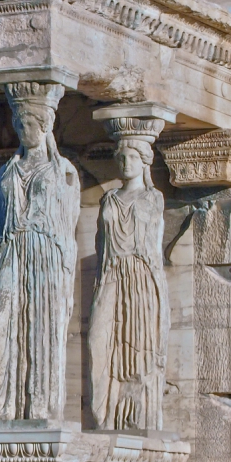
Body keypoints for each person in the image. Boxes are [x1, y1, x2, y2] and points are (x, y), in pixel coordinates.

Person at [0, 85, 80, 423]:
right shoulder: (7, 170)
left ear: (44, 126)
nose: (21, 130)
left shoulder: (63, 171)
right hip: (13, 249)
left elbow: (68, 225)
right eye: (18, 124)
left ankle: (39, 407)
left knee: (41, 327)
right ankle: (4, 405)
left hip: (45, 255)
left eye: (27, 123)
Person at [88, 131, 170, 430]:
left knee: (138, 350)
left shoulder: (153, 198)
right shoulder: (108, 199)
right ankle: (105, 415)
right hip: (111, 275)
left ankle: (135, 418)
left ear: (144, 161)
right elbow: (100, 242)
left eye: (132, 157)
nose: (125, 162)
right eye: (120, 157)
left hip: (141, 279)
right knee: (99, 340)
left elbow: (156, 246)